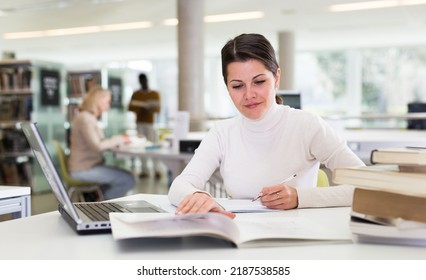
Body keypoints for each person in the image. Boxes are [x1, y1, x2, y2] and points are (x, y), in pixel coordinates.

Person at [168, 33, 365, 218]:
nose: (249, 94)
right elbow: (180, 185)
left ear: (276, 78)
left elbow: (367, 187)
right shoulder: (222, 132)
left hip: (297, 238)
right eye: (237, 86)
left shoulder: (308, 125)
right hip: (241, 234)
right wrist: (196, 195)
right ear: (227, 86)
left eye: (259, 82)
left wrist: (300, 198)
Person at [69, 86, 135, 201]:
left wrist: (117, 139)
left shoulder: (88, 117)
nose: (109, 106)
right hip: (83, 170)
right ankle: (102, 204)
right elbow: (98, 146)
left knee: (123, 176)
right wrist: (119, 139)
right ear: (98, 100)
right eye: (107, 101)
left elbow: (100, 141)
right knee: (127, 179)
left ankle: (98, 200)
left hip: (88, 166)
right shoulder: (86, 119)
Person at [128, 73, 162, 179]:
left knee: (152, 147)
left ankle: (157, 170)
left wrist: (149, 108)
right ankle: (144, 171)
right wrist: (140, 108)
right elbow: (130, 107)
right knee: (141, 147)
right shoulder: (136, 94)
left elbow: (158, 109)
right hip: (139, 123)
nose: (143, 82)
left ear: (147, 80)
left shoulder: (155, 94)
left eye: (144, 80)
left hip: (150, 124)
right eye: (141, 80)